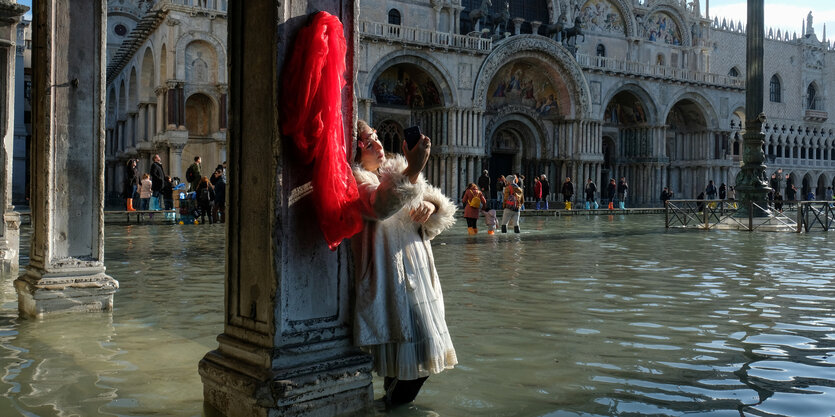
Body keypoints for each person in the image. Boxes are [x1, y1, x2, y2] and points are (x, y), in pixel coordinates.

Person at [352, 120, 457, 407]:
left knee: (412, 360)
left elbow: (434, 222)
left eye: (377, 138)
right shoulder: (356, 181)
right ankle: (389, 406)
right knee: (416, 359)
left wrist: (432, 206)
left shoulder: (397, 173)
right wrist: (413, 169)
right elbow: (380, 206)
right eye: (368, 143)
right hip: (391, 278)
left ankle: (388, 403)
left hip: (420, 276)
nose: (378, 145)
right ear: (355, 153)